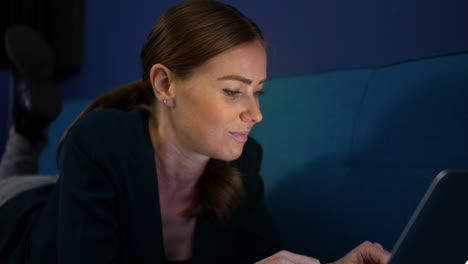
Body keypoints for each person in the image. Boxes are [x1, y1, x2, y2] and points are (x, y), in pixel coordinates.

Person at [0, 1, 391, 263]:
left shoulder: (243, 161)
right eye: (234, 91)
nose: (256, 114)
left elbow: (266, 258)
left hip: (74, 193)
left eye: (258, 91)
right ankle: (28, 125)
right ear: (166, 85)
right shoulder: (100, 139)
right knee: (14, 175)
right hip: (18, 211)